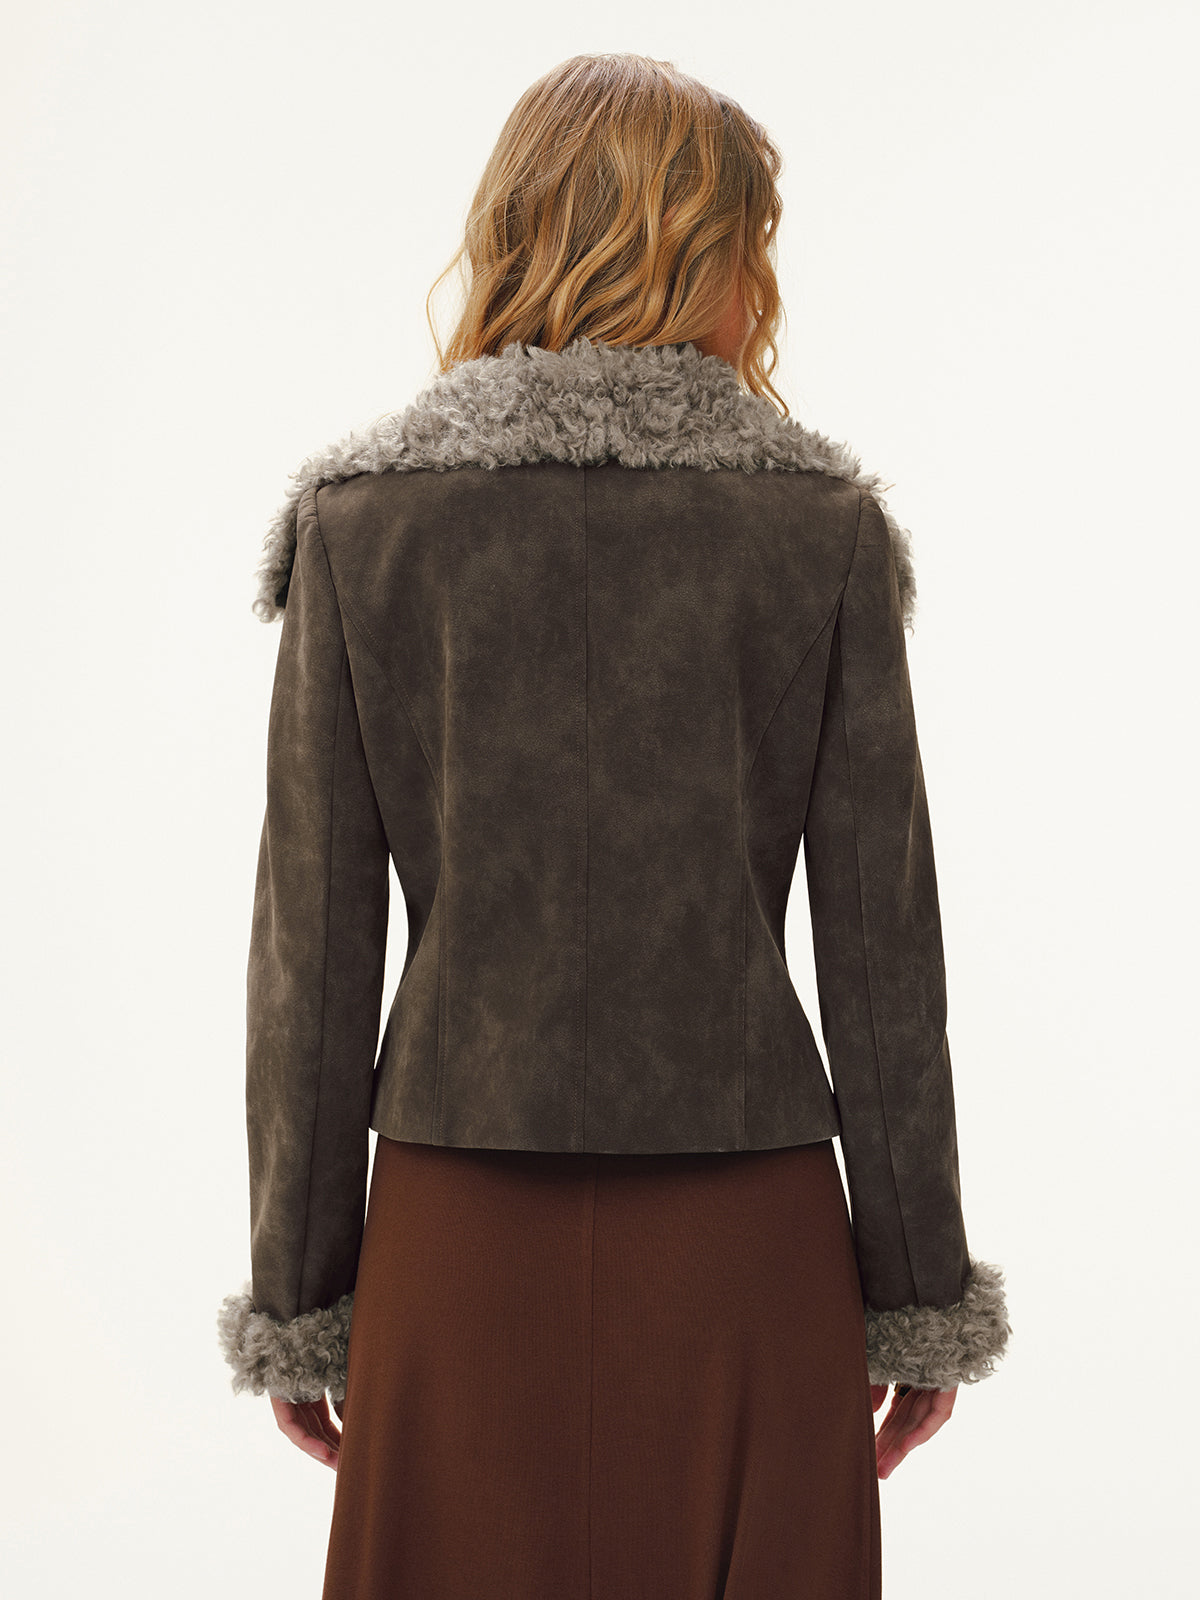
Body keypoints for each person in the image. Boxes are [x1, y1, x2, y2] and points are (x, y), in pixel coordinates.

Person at [216, 50, 1011, 1600]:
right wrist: (918, 1290)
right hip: (745, 1244)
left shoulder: (364, 528)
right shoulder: (821, 534)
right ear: (717, 256)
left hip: (456, 1236)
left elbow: (309, 963)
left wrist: (299, 1300)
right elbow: (882, 958)